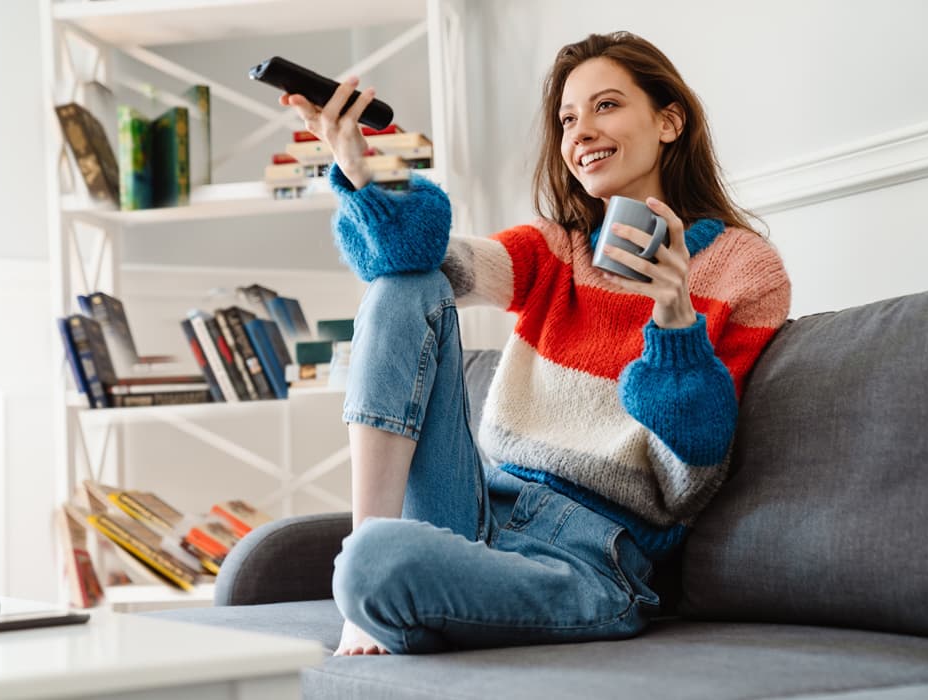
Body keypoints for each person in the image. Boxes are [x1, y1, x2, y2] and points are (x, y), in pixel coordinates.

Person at [279, 31, 790, 656]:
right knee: (402, 287)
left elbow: (694, 476)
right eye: (568, 118)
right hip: (475, 511)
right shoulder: (556, 249)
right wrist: (362, 168)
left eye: (606, 106)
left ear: (669, 120)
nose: (580, 133)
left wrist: (675, 321)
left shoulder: (745, 269)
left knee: (379, 566)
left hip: (591, 557)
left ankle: (378, 580)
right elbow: (411, 258)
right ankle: (368, 576)